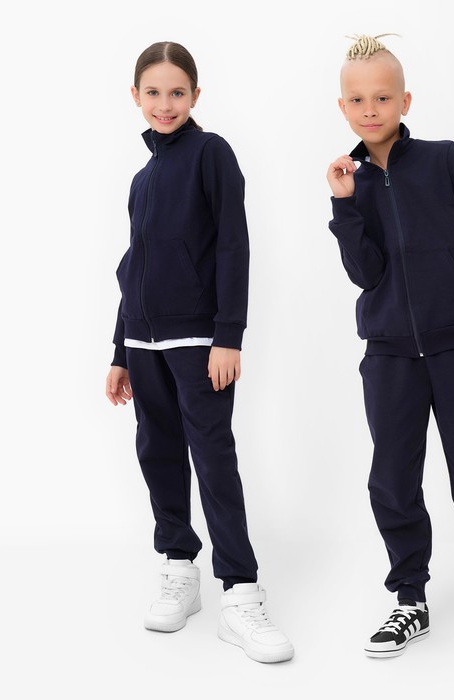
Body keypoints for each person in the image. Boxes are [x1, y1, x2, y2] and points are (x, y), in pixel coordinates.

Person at [326, 34, 454, 660]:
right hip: (388, 356)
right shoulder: (351, 181)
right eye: (358, 100)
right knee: (392, 481)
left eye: (382, 97)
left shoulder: (447, 162)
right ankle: (409, 600)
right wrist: (344, 206)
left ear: (405, 100)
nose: (370, 109)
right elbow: (365, 274)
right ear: (342, 106)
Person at [105, 41, 293, 664]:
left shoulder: (212, 153)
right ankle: (179, 567)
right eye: (153, 93)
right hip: (143, 341)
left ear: (195, 95)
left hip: (198, 341)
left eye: (177, 92)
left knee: (212, 458)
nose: (165, 104)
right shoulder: (141, 180)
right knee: (158, 453)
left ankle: (240, 592)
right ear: (136, 96)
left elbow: (234, 244)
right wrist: (120, 350)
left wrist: (228, 335)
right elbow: (132, 267)